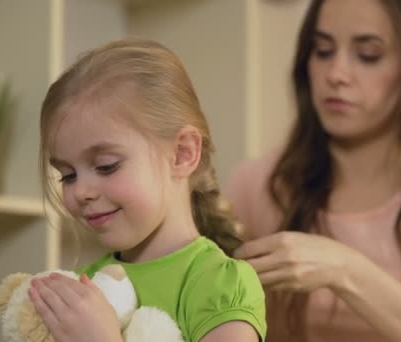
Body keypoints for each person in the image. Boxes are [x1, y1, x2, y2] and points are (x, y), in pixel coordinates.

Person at [225, 0, 401, 341]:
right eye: (323, 50)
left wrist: (342, 269)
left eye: (368, 54)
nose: (336, 74)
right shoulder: (258, 184)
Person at [28, 38, 266, 342]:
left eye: (106, 166)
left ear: (182, 153)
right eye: (68, 175)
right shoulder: (89, 285)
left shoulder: (220, 285)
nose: (81, 192)